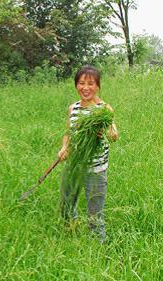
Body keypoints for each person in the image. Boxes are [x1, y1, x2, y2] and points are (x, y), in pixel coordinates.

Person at [57, 65, 118, 242]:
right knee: (66, 208)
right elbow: (68, 133)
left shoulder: (104, 109)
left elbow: (113, 135)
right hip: (74, 166)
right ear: (76, 85)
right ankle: (71, 237)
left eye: (90, 83)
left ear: (97, 86)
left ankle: (100, 248)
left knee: (94, 216)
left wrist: (104, 133)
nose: (85, 88)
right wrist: (64, 148)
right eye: (81, 83)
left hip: (96, 170)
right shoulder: (73, 108)